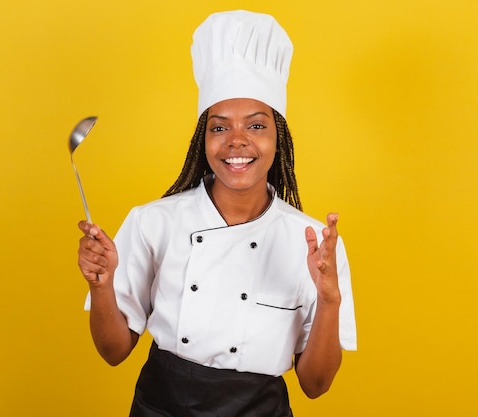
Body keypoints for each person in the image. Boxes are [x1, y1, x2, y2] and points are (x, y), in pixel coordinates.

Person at [77, 10, 356, 417]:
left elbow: (315, 386)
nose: (237, 141)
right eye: (220, 127)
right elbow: (114, 351)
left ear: (279, 139)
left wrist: (329, 299)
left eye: (257, 126)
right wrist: (101, 286)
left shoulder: (315, 244)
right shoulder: (154, 222)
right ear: (202, 141)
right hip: (161, 407)